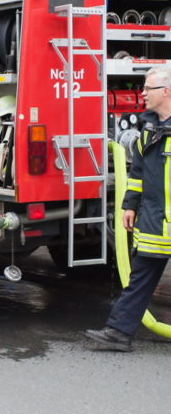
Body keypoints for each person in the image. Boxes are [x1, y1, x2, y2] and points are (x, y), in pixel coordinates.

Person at [85, 67, 171, 352]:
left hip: (161, 218)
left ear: (167, 92)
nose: (143, 93)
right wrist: (129, 205)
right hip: (155, 221)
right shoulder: (149, 129)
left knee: (141, 275)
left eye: (149, 88)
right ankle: (119, 332)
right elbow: (137, 172)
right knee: (141, 276)